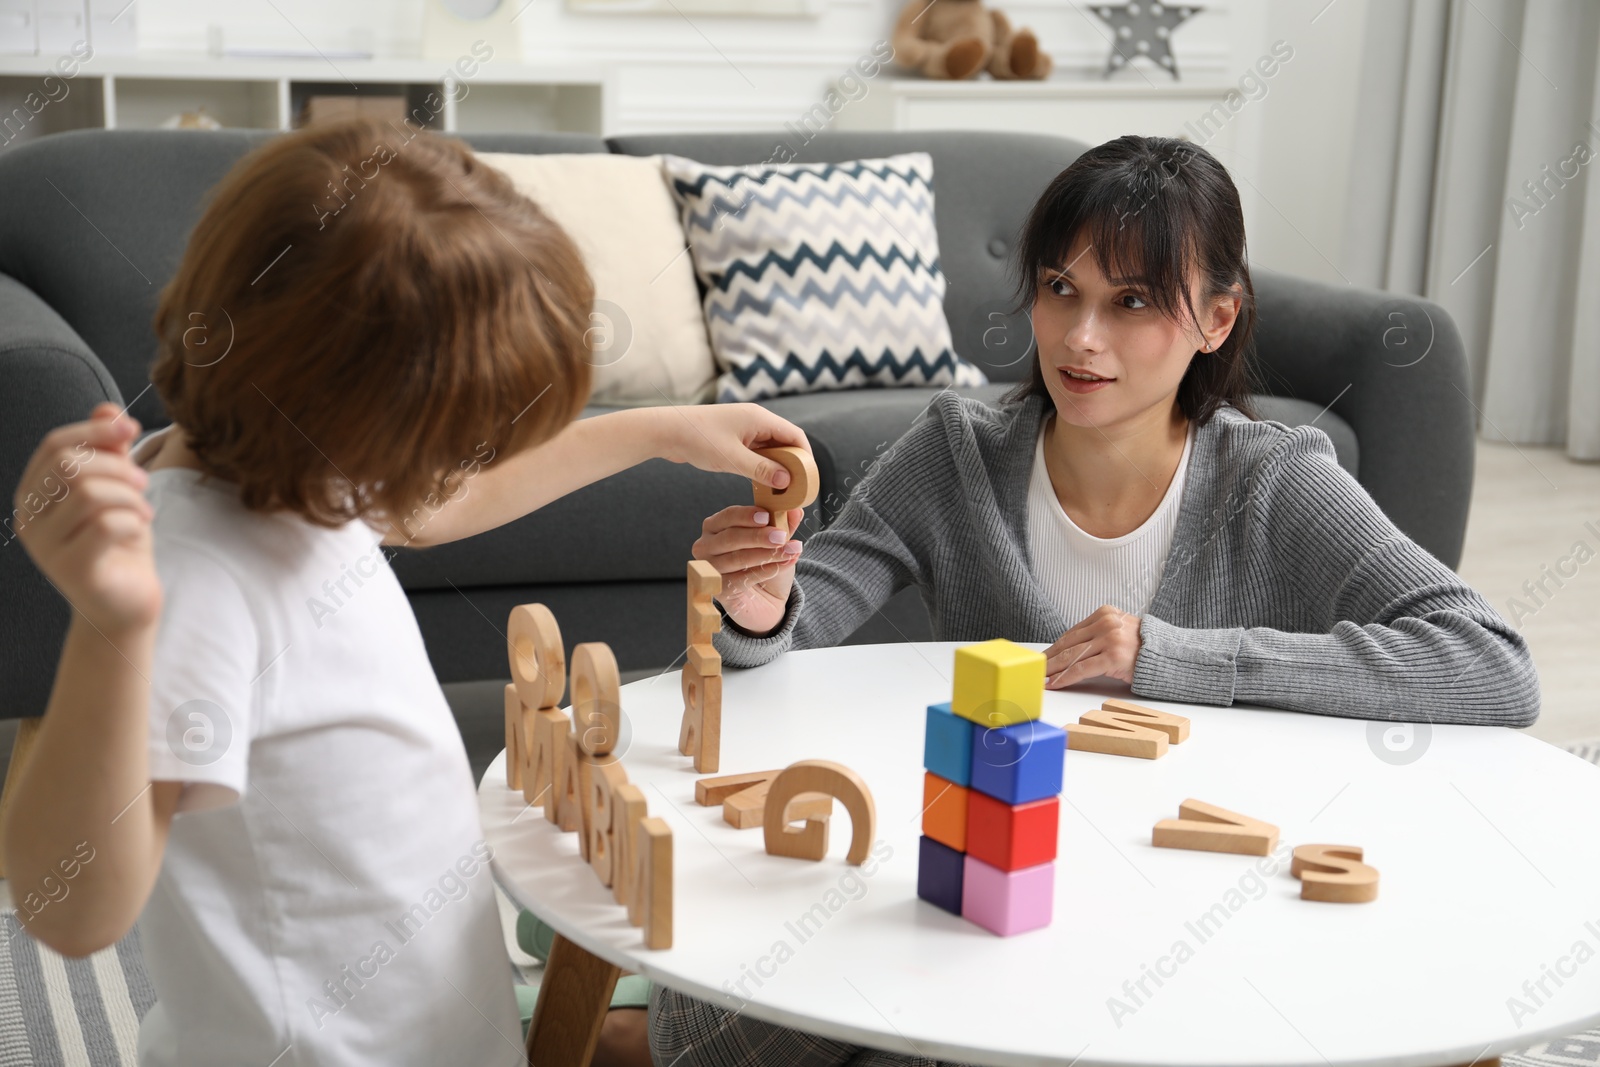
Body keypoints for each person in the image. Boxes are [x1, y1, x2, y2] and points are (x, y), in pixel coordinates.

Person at [669, 134, 1539, 1064]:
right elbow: (793, 627)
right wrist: (758, 607)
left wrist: (1170, 658)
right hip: (982, 907)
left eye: (1131, 303)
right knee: (712, 1035)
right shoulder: (955, 452)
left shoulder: (1277, 481)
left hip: (1183, 917)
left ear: (1216, 318)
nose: (1082, 339)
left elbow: (1494, 662)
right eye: (1061, 291)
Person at [3, 118, 805, 1067]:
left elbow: (434, 505)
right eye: (451, 439)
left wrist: (661, 431)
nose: (462, 466)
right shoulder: (198, 580)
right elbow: (70, 901)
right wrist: (110, 629)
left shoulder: (288, 467)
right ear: (353, 420)